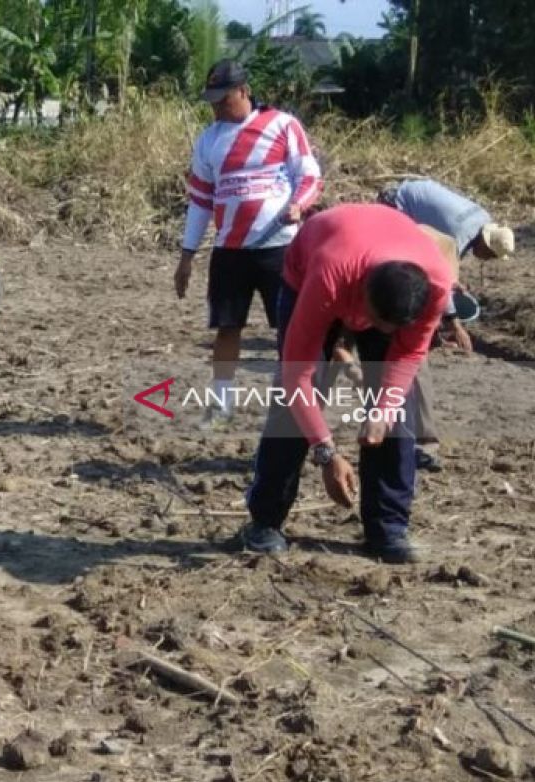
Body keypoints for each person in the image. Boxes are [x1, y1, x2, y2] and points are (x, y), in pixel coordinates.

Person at [239, 204, 453, 564]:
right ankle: (265, 521)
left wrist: (382, 410)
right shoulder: (330, 275)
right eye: (371, 318)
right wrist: (326, 453)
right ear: (364, 294)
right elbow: (297, 377)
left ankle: (388, 528)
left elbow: (407, 357)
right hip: (310, 267)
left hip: (374, 262)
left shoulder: (435, 287)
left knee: (397, 409)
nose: (370, 328)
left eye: (388, 327)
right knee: (293, 403)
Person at [174, 59, 323, 427]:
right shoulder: (208, 140)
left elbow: (309, 176)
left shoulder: (283, 126)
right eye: (212, 102)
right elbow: (200, 200)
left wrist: (298, 206)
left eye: (223, 100)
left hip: (279, 246)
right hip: (230, 250)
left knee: (289, 330)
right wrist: (187, 256)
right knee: (227, 327)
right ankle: (221, 405)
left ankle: (298, 406)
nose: (217, 108)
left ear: (243, 91)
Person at [378, 179, 517, 470]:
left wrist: (452, 284)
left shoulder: (481, 219)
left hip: (410, 194)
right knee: (405, 281)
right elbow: (439, 268)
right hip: (397, 205)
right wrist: (455, 323)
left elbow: (444, 262)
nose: (486, 260)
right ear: (486, 244)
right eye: (490, 255)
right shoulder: (458, 232)